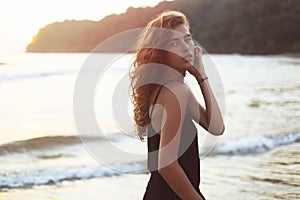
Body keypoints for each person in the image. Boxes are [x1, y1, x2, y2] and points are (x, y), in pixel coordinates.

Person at [130, 10, 225, 200]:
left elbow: (216, 127)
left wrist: (200, 76)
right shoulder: (175, 93)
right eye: (174, 43)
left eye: (187, 39)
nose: (185, 47)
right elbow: (166, 165)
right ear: (161, 53)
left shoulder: (169, 90)